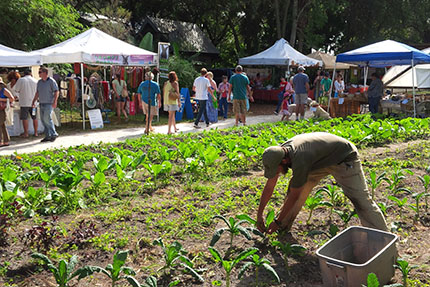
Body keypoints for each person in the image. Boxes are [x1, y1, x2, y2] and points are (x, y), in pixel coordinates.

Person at [256, 132, 388, 234]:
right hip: (319, 160)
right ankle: (282, 229)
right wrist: (259, 215)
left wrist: (276, 221)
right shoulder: (278, 154)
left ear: (284, 162)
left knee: (361, 200)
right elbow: (269, 186)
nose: (276, 173)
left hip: (344, 158)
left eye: (276, 169)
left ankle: (383, 237)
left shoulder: (300, 159)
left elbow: (294, 196)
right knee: (295, 190)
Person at [32, 66, 59, 142]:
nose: (38, 74)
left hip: (49, 103)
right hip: (41, 103)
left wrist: (55, 101)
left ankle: (53, 133)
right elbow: (37, 92)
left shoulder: (51, 81)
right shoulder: (39, 82)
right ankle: (48, 135)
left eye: (40, 72)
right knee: (43, 120)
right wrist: (34, 100)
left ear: (45, 73)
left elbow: (56, 91)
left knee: (47, 118)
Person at [14, 69, 38, 137]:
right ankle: (36, 132)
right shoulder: (35, 80)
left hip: (24, 102)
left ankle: (26, 133)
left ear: (24, 73)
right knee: (34, 117)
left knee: (25, 118)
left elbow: (17, 90)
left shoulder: (21, 80)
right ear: (30, 73)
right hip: (34, 103)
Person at [0, 78, 14, 147]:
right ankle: (5, 141)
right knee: (2, 125)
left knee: (1, 124)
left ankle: (2, 141)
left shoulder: (4, 90)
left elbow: (11, 99)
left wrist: (1, 99)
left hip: (2, 110)